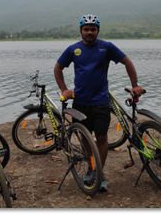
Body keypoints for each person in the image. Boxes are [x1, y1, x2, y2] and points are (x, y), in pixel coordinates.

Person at [54, 14, 144, 192]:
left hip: (101, 102)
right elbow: (58, 68)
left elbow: (127, 62)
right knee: (85, 138)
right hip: (80, 102)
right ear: (81, 31)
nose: (89, 32)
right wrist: (64, 90)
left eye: (93, 29)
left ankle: (98, 172)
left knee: (102, 138)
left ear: (98, 31)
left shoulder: (107, 47)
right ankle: (91, 167)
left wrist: (135, 85)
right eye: (86, 29)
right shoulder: (73, 49)